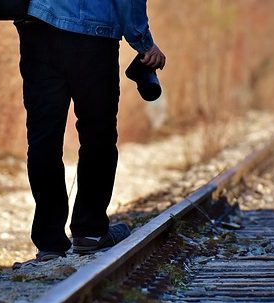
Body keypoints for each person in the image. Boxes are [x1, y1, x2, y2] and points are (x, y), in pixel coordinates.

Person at [16, 0, 166, 261]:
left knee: (43, 139)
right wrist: (143, 43)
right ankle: (90, 230)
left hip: (37, 31)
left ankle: (49, 241)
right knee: (98, 135)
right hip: (93, 37)